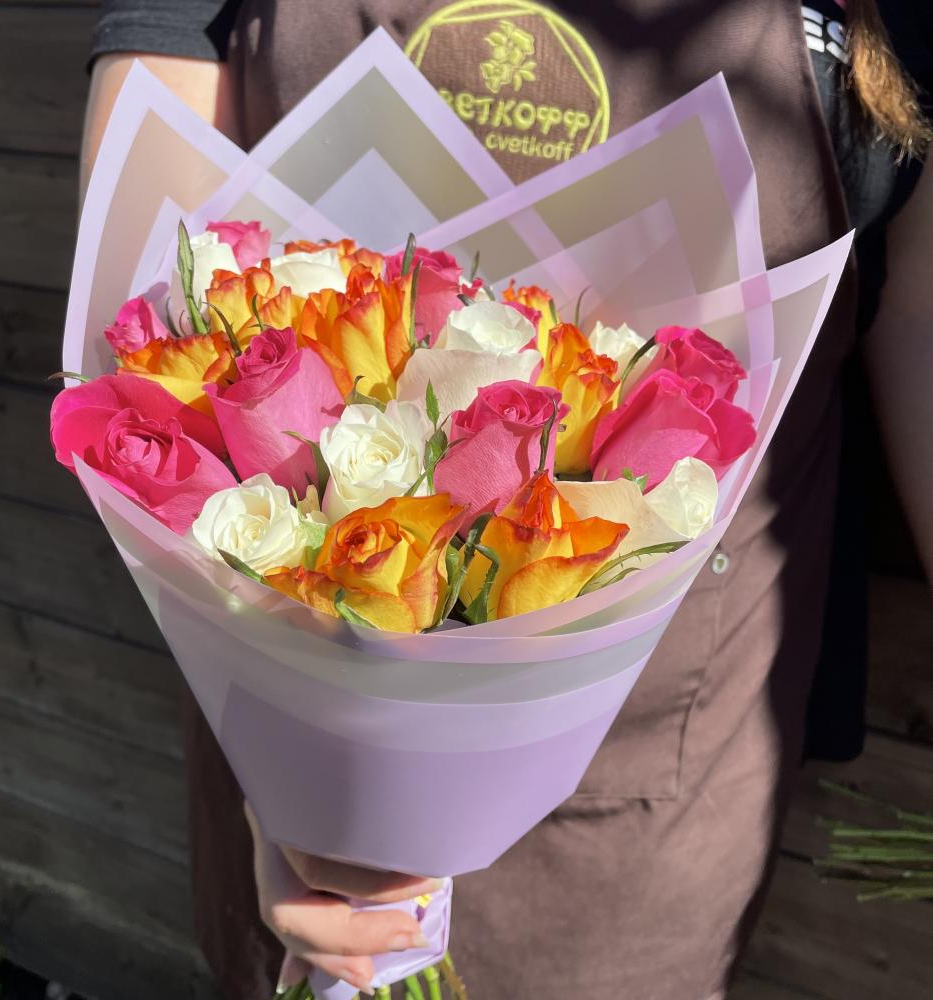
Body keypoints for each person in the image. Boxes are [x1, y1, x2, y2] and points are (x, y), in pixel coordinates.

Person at [82, 2, 933, 997]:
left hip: (648, 815)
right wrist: (297, 777)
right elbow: (151, 317)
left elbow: (917, 324)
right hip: (280, 734)